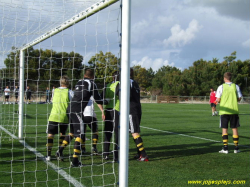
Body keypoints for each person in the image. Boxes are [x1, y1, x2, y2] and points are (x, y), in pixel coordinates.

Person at [57, 69, 108, 167]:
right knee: (80, 135)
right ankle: (75, 161)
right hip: (77, 111)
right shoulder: (92, 83)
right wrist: (104, 101)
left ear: (84, 74)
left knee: (72, 133)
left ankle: (59, 151)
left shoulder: (79, 82)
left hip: (70, 109)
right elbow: (97, 99)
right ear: (93, 76)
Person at [45, 76, 74, 161]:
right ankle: (60, 153)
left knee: (50, 135)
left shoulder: (54, 90)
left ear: (60, 82)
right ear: (68, 82)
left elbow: (52, 100)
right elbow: (72, 103)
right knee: (63, 134)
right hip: (64, 116)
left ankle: (48, 155)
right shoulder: (70, 92)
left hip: (54, 115)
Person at [216, 72, 242, 154]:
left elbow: (218, 99)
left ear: (224, 78)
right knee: (234, 128)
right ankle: (236, 148)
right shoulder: (236, 86)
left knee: (224, 129)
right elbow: (239, 98)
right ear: (231, 78)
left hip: (224, 111)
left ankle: (225, 148)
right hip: (234, 110)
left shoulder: (221, 87)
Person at [129, 68, 148, 161]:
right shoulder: (135, 82)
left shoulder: (128, 82)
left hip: (131, 109)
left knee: (134, 132)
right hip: (137, 108)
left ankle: (144, 155)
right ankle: (139, 153)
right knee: (134, 131)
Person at [102, 71, 120, 161]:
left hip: (108, 110)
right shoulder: (119, 84)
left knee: (107, 132)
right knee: (117, 132)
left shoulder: (108, 85)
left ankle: (105, 154)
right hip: (117, 110)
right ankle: (116, 155)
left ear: (113, 77)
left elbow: (102, 97)